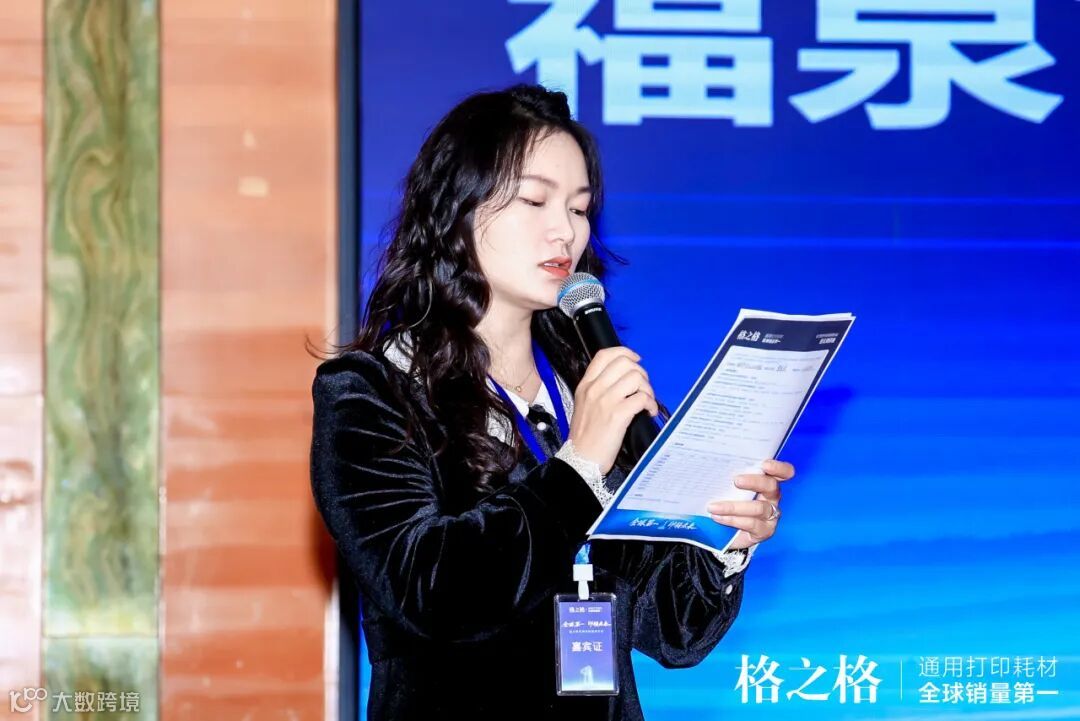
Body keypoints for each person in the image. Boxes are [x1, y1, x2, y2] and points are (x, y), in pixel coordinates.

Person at [309, 84, 794, 721]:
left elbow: (675, 631)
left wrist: (722, 535)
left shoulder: (583, 390)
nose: (565, 230)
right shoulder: (372, 391)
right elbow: (431, 593)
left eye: (580, 207)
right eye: (534, 200)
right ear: (455, 209)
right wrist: (578, 466)